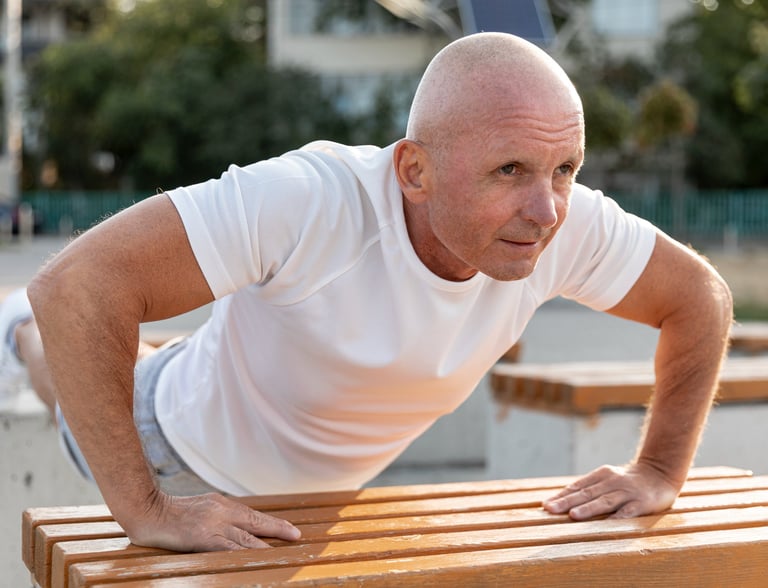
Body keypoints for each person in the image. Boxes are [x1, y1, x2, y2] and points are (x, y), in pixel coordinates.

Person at [0, 32, 732, 553]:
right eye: (508, 170)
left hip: (309, 485)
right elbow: (76, 287)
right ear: (414, 172)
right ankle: (16, 333)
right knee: (57, 353)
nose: (546, 210)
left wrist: (660, 471)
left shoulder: (558, 223)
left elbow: (701, 298)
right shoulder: (307, 200)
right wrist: (144, 509)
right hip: (177, 451)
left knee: (201, 352)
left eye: (566, 167)